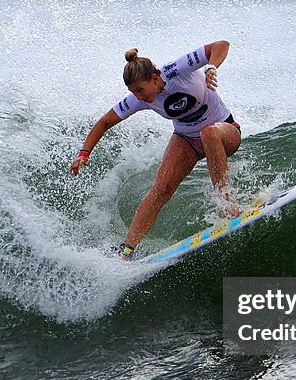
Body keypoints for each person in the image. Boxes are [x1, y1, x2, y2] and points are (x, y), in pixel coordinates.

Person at [69, 41, 241, 259]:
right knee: (161, 188)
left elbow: (221, 45)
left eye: (140, 90)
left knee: (209, 132)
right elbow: (105, 121)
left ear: (154, 77)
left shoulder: (177, 70)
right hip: (188, 139)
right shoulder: (140, 98)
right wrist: (84, 153)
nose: (138, 97)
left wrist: (211, 67)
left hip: (225, 132)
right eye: (133, 92)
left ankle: (228, 207)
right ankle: (127, 251)